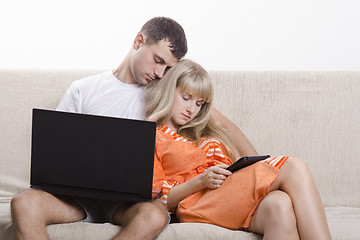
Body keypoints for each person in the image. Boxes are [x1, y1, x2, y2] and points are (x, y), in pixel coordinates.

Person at [10, 17, 256, 240]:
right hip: (76, 200)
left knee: (155, 215)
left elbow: (214, 117)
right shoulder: (83, 89)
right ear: (138, 41)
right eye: (158, 61)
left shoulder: (163, 94)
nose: (160, 73)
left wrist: (255, 164)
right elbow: (56, 149)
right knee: (23, 203)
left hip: (128, 204)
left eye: (167, 68)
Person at [144, 59, 332, 240]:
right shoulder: (152, 136)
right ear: (170, 91)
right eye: (186, 98)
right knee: (294, 167)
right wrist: (202, 180)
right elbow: (159, 199)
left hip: (228, 196)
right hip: (196, 203)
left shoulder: (201, 132)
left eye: (199, 104)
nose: (191, 109)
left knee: (279, 205)